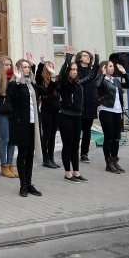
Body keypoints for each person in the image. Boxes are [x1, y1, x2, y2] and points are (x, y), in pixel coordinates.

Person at [57, 47, 98, 183]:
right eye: (72, 70)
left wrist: (96, 57)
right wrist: (68, 57)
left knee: (76, 145)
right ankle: (68, 173)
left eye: (75, 70)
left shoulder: (79, 84)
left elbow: (92, 75)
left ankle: (77, 172)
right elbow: (63, 73)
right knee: (67, 145)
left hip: (77, 117)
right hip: (65, 117)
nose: (74, 72)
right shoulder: (63, 84)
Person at [8, 55, 46, 197]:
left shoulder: (32, 84)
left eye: (28, 67)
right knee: (22, 154)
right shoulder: (14, 84)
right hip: (21, 125)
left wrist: (53, 77)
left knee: (30, 154)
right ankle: (22, 185)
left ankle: (29, 184)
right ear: (18, 69)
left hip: (33, 123)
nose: (27, 69)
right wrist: (17, 81)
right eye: (24, 67)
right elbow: (13, 98)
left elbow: (47, 90)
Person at [95, 60, 129, 174]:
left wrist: (124, 73)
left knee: (116, 138)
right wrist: (102, 73)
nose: (113, 68)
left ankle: (115, 160)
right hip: (106, 111)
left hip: (117, 111)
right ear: (104, 68)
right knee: (109, 138)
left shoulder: (115, 80)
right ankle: (108, 163)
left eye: (112, 66)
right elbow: (97, 85)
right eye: (110, 66)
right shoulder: (101, 80)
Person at [35, 57, 60, 169]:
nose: (51, 68)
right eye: (49, 67)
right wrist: (41, 63)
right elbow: (38, 75)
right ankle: (46, 159)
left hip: (55, 111)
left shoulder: (55, 80)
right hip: (46, 111)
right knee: (46, 135)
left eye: (52, 66)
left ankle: (51, 157)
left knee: (53, 135)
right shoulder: (42, 81)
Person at [76, 50, 100, 164]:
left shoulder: (92, 71)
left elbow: (95, 88)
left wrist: (97, 103)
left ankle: (84, 153)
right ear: (80, 58)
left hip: (90, 104)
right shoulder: (76, 70)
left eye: (89, 56)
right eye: (85, 56)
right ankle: (74, 152)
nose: (88, 57)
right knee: (76, 130)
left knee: (87, 131)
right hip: (80, 104)